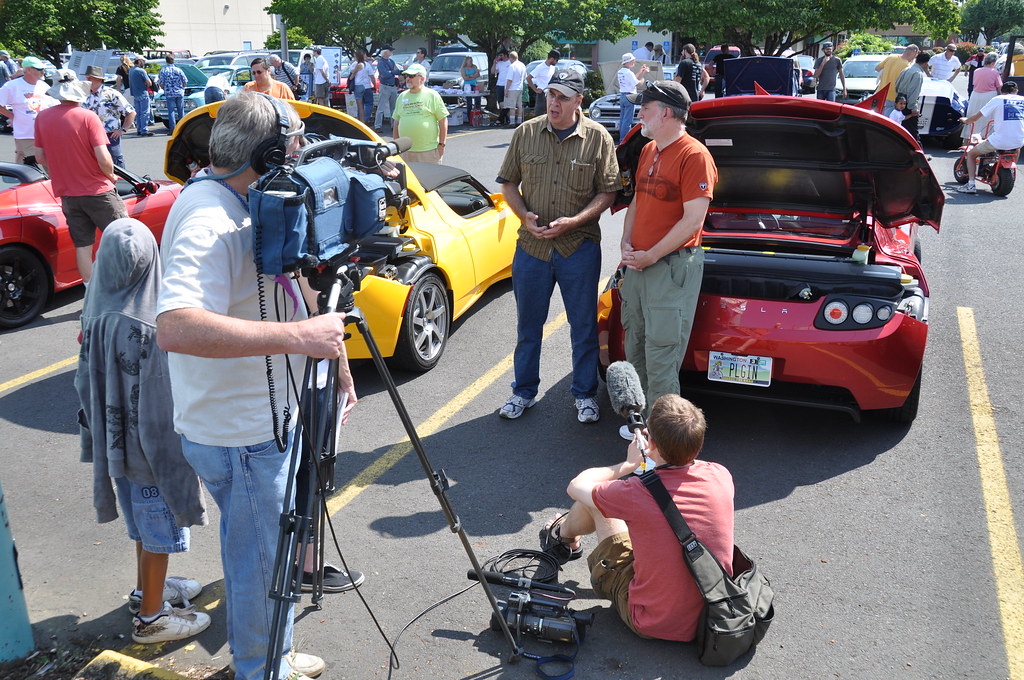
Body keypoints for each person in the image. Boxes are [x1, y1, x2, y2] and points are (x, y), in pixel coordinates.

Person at [156, 91, 358, 680]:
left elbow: (285, 291)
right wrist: (301, 338)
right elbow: (176, 326)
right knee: (258, 562)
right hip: (239, 436)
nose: (300, 153)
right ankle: (259, 669)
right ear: (267, 151)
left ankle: (278, 655)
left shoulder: (252, 199)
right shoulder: (207, 216)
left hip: (268, 421)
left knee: (272, 552)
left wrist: (333, 358)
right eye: (292, 142)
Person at [75, 217, 210, 644]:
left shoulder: (95, 307)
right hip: (151, 454)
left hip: (117, 445)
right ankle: (151, 618)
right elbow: (158, 406)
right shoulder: (150, 323)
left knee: (141, 525)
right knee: (157, 531)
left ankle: (145, 590)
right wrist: (179, 465)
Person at [538, 393, 734, 643]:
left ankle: (562, 537)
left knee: (595, 502)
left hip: (651, 621)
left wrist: (629, 464)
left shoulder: (636, 493)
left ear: (651, 443)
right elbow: (683, 463)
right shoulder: (721, 475)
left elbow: (576, 485)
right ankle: (564, 534)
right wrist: (658, 449)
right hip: (711, 615)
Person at [495, 68, 619, 423]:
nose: (554, 102)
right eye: (551, 94)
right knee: (528, 326)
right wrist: (524, 217)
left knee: (582, 326)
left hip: (577, 247)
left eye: (563, 97)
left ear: (580, 101)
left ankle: (584, 394)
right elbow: (508, 184)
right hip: (531, 249)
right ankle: (523, 391)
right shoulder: (526, 132)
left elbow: (608, 191)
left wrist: (575, 221)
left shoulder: (598, 139)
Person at [618, 81, 717, 434]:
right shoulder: (648, 150)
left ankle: (663, 439)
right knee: (637, 345)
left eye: (645, 107)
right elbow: (636, 203)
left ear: (666, 112)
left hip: (670, 267)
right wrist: (626, 244)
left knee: (662, 357)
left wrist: (650, 256)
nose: (639, 113)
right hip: (640, 265)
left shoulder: (695, 156)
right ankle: (640, 427)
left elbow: (693, 220)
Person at [33, 70, 128, 283]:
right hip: (97, 190)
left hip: (68, 194)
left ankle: (91, 292)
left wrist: (63, 167)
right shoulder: (88, 116)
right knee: (124, 239)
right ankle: (127, 288)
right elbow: (104, 159)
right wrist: (111, 176)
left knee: (83, 246)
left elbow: (40, 156)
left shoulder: (42, 118)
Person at [958, 81, 1024, 194]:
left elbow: (978, 116)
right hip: (1019, 140)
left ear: (1002, 91)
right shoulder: (1022, 100)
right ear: (1016, 91)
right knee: (1016, 147)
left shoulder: (998, 99)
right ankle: (1011, 174)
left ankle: (971, 185)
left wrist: (967, 120)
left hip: (998, 141)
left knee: (971, 154)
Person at [0, 56, 54, 164]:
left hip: (45, 135)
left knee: (50, 169)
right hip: (26, 136)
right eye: (39, 69)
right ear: (28, 70)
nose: (43, 72)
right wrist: (13, 117)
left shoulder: (43, 86)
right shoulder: (12, 86)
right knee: (28, 170)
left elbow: (53, 106)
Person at [392, 63, 448, 163]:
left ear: (422, 78)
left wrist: (441, 145)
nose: (408, 78)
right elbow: (396, 123)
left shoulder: (432, 95)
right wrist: (397, 147)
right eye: (407, 76)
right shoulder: (401, 96)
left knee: (429, 179)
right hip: (405, 152)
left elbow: (443, 120)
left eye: (412, 76)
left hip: (428, 152)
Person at [84, 64, 137, 169]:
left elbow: (131, 112)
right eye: (86, 78)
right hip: (90, 137)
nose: (87, 80)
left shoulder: (111, 94)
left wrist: (122, 130)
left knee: (116, 166)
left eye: (89, 78)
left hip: (110, 136)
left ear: (98, 79)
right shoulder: (84, 95)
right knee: (95, 166)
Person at [962, 52, 1002, 142]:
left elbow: (974, 83)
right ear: (993, 62)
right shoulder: (995, 72)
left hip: (975, 94)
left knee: (973, 114)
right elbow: (999, 86)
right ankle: (985, 136)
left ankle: (968, 137)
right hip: (989, 95)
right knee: (987, 117)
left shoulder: (977, 71)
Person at [895, 52, 930, 142]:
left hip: (900, 101)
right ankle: (918, 155)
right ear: (925, 63)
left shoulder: (906, 69)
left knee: (901, 131)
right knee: (913, 134)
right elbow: (913, 93)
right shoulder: (918, 74)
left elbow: (896, 85)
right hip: (908, 105)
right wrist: (913, 108)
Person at [874, 44, 919, 115]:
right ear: (914, 52)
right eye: (915, 56)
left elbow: (877, 68)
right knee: (887, 122)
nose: (914, 58)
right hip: (893, 97)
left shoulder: (891, 57)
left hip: (880, 93)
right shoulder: (907, 67)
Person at [617, 53, 648, 143]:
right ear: (628, 62)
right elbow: (638, 84)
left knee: (623, 120)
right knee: (627, 121)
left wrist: (641, 72)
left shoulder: (621, 72)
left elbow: (633, 79)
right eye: (632, 60)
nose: (634, 61)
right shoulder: (628, 73)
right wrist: (644, 75)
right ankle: (624, 141)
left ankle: (621, 139)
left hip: (622, 96)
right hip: (630, 97)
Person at [158, 55, 187, 130]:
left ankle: (173, 129)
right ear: (173, 61)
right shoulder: (178, 70)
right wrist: (182, 88)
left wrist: (165, 88)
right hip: (179, 92)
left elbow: (160, 83)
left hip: (169, 93)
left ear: (166, 61)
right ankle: (182, 127)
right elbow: (185, 81)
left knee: (171, 111)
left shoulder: (163, 70)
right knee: (181, 110)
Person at [526, 50, 559, 116]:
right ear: (552, 59)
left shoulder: (552, 67)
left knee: (550, 114)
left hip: (550, 93)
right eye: (556, 60)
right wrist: (535, 90)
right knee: (539, 114)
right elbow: (528, 78)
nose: (557, 62)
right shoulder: (540, 67)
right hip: (542, 94)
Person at [374, 45, 400, 131]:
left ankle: (393, 125)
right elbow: (385, 74)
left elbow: (397, 71)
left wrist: (390, 72)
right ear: (385, 52)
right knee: (381, 107)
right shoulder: (381, 62)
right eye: (390, 50)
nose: (391, 52)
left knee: (394, 108)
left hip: (392, 86)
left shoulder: (391, 61)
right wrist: (392, 72)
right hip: (385, 86)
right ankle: (378, 126)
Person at [128, 57, 155, 136]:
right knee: (145, 112)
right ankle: (144, 130)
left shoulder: (131, 70)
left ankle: (139, 129)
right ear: (139, 61)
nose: (144, 63)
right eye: (143, 61)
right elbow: (149, 82)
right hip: (143, 93)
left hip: (135, 93)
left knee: (138, 113)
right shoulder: (141, 71)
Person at [349, 49, 375, 124]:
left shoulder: (355, 64)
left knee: (360, 106)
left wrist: (353, 72)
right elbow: (372, 76)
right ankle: (365, 120)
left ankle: (361, 122)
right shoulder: (367, 64)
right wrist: (374, 85)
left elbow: (351, 74)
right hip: (367, 86)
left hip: (358, 85)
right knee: (369, 103)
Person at [503, 50, 527, 127]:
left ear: (510, 58)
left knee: (512, 106)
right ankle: (519, 121)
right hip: (520, 87)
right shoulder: (522, 65)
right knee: (520, 105)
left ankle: (512, 122)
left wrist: (506, 90)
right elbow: (524, 77)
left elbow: (510, 80)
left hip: (512, 88)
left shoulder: (512, 66)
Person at [492, 50, 511, 125]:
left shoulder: (510, 63)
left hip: (507, 84)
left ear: (506, 55)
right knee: (501, 103)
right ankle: (503, 119)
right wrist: (494, 63)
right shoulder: (499, 63)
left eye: (501, 55)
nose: (500, 57)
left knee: (507, 103)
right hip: (500, 84)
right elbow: (493, 71)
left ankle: (501, 119)